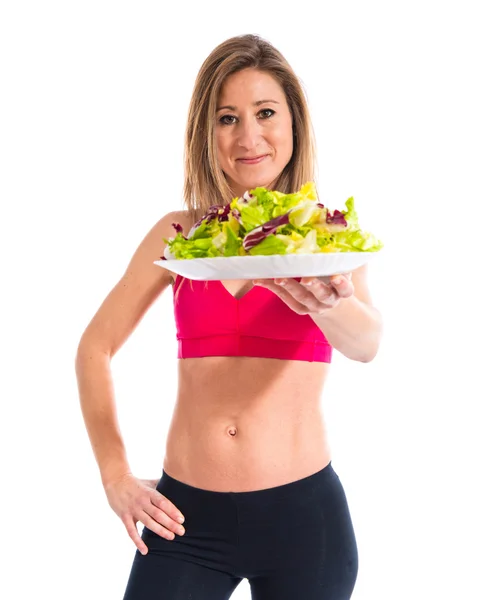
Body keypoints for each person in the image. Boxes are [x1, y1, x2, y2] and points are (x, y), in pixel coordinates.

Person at [75, 34, 383, 600]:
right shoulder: (181, 234)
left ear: (293, 123)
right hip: (185, 520)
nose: (249, 136)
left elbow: (367, 343)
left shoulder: (324, 235)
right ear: (206, 133)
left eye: (266, 113)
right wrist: (115, 475)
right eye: (227, 118)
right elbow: (94, 347)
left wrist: (331, 302)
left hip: (304, 521)